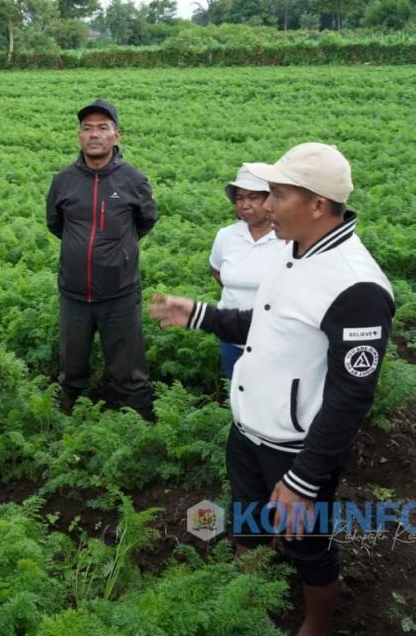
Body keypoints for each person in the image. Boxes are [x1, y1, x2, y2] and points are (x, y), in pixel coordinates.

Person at [149, 143, 395, 636]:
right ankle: (251, 598)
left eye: (277, 195)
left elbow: (351, 397)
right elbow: (265, 324)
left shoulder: (357, 288)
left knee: (308, 546)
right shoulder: (293, 252)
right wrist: (199, 314)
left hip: (296, 449)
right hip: (249, 431)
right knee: (248, 522)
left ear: (318, 204)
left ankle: (315, 624)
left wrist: (304, 480)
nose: (263, 206)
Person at [47, 98, 159, 415]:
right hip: (74, 294)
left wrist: (119, 250)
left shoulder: (134, 180)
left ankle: (138, 423)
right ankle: (66, 421)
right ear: (79, 136)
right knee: (72, 367)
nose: (94, 134)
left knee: (129, 369)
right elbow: (55, 224)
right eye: (87, 128)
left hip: (120, 292)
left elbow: (146, 220)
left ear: (116, 136)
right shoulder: (63, 181)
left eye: (102, 128)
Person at [210, 166, 283, 378]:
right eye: (240, 198)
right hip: (232, 338)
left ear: (270, 200)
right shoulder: (226, 236)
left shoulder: (288, 238)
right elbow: (217, 271)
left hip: (274, 338)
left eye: (253, 197)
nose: (245, 204)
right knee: (236, 398)